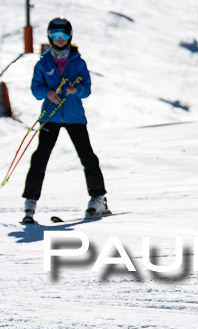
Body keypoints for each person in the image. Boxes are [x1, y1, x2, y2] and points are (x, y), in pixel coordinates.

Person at [22, 17, 109, 224]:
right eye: (54, 35)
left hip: (74, 117)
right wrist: (48, 92)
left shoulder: (78, 62)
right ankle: (30, 203)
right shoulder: (43, 63)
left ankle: (98, 198)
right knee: (40, 158)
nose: (59, 39)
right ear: (49, 37)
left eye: (63, 35)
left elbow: (86, 89)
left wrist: (75, 90)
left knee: (87, 156)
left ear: (70, 36)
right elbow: (35, 89)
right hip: (50, 116)